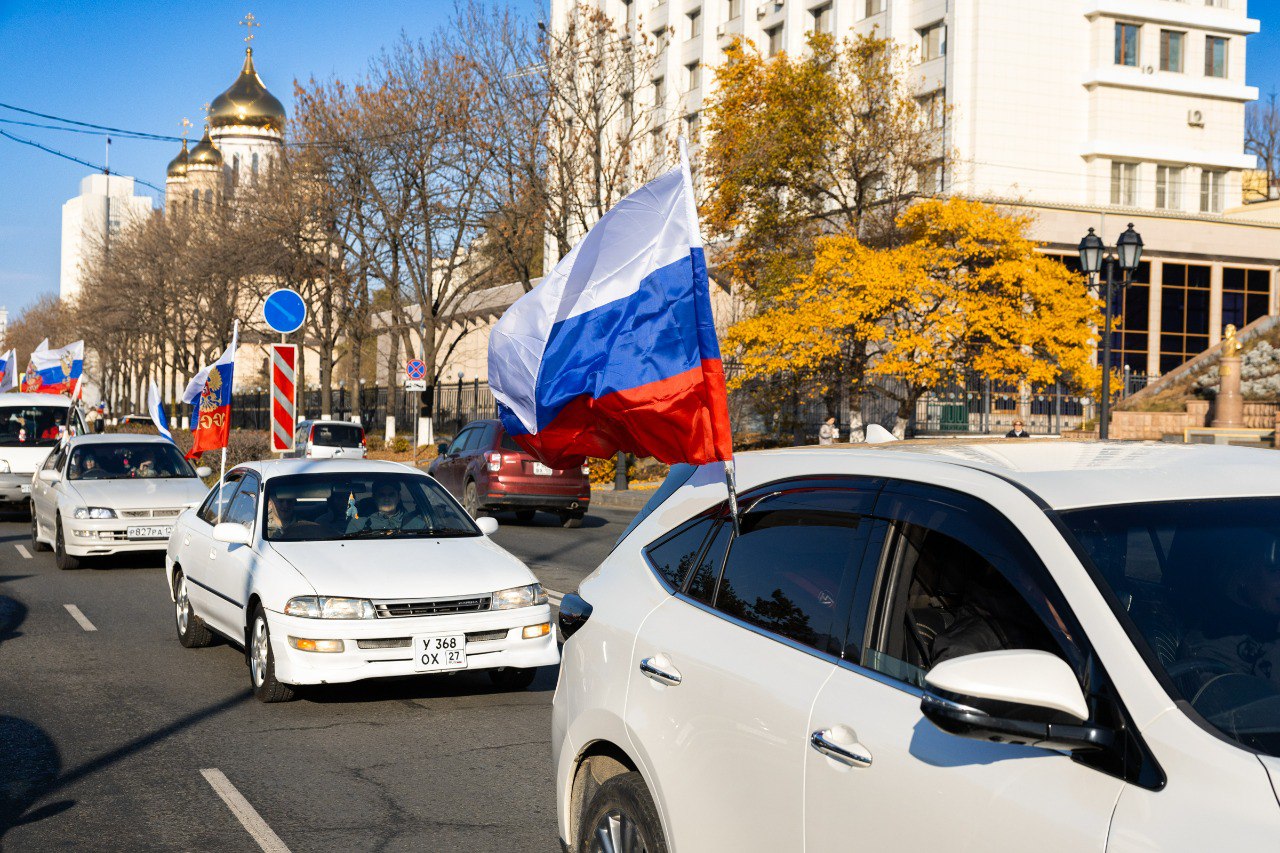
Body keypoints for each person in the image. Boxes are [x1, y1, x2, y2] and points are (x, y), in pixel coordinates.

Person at [345, 482, 425, 534]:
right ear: (374, 498)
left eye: (391, 495)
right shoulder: (358, 524)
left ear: (399, 497)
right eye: (382, 495)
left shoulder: (417, 524)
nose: (387, 499)